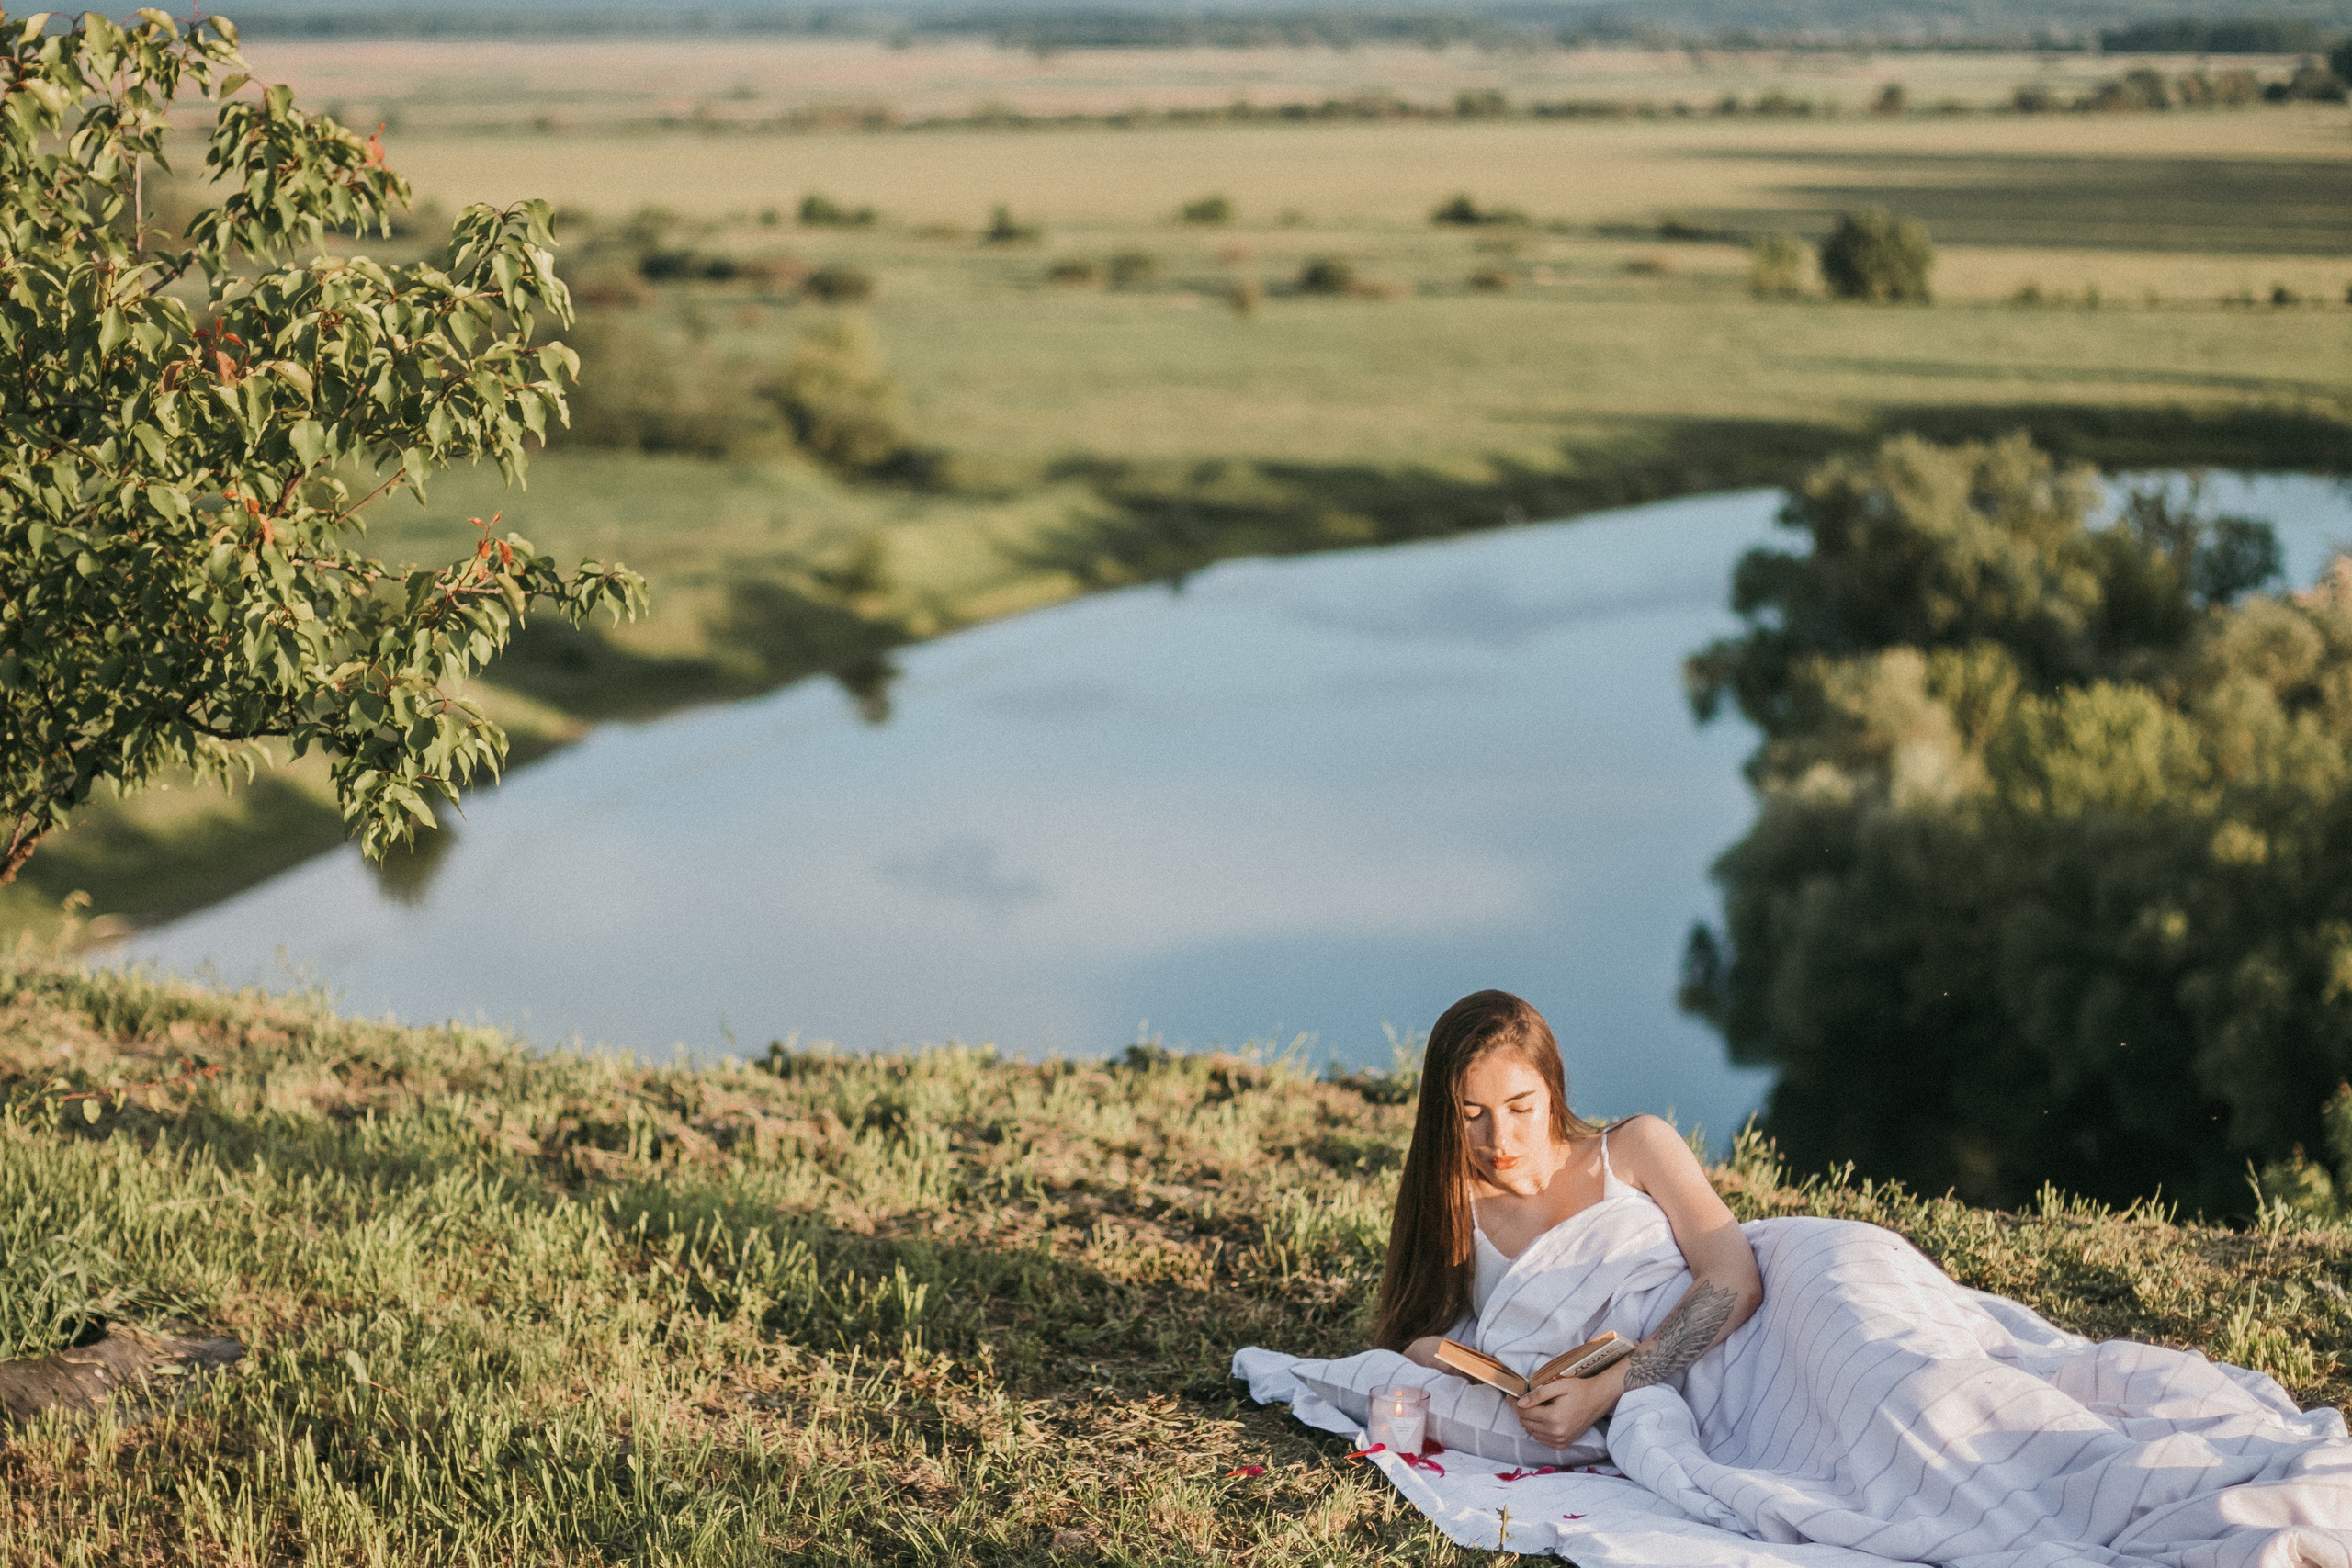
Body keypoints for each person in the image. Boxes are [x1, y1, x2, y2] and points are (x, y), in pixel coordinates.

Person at [1373, 987, 1762, 1448]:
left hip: (1735, 1353)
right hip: (1647, 1412)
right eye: (1471, 1113)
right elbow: (1412, 1330)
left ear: (1552, 1092)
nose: (1500, 1138)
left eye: (1521, 1108)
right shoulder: (1455, 1203)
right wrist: (1428, 1352)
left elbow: (1735, 1279)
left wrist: (1605, 1390)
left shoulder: (1636, 1148)